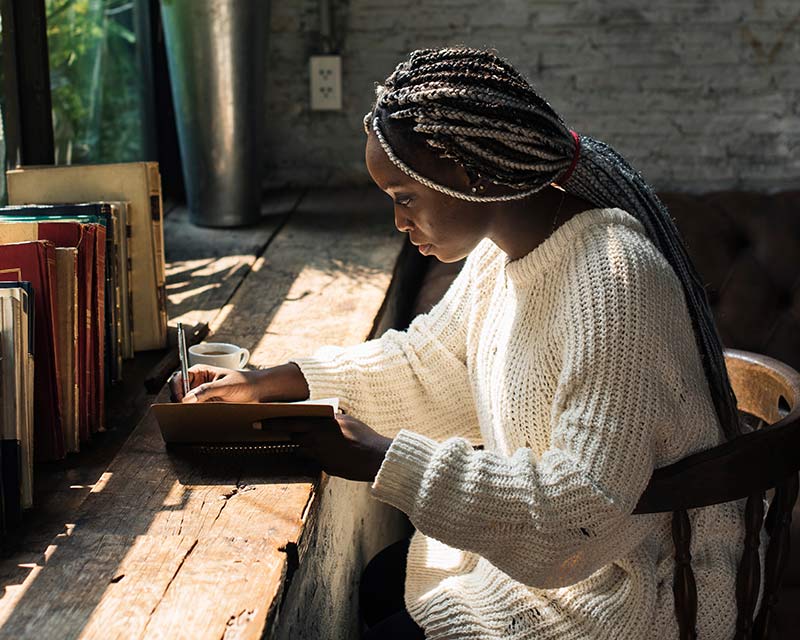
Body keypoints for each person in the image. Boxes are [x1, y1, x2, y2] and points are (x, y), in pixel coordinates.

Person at [171, 47, 747, 639]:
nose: (398, 223)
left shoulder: (613, 278)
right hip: (561, 569)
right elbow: (432, 365)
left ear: (470, 174)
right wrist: (277, 381)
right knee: (377, 583)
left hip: (636, 593)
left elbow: (582, 507)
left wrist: (379, 457)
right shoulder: (502, 254)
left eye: (405, 198)